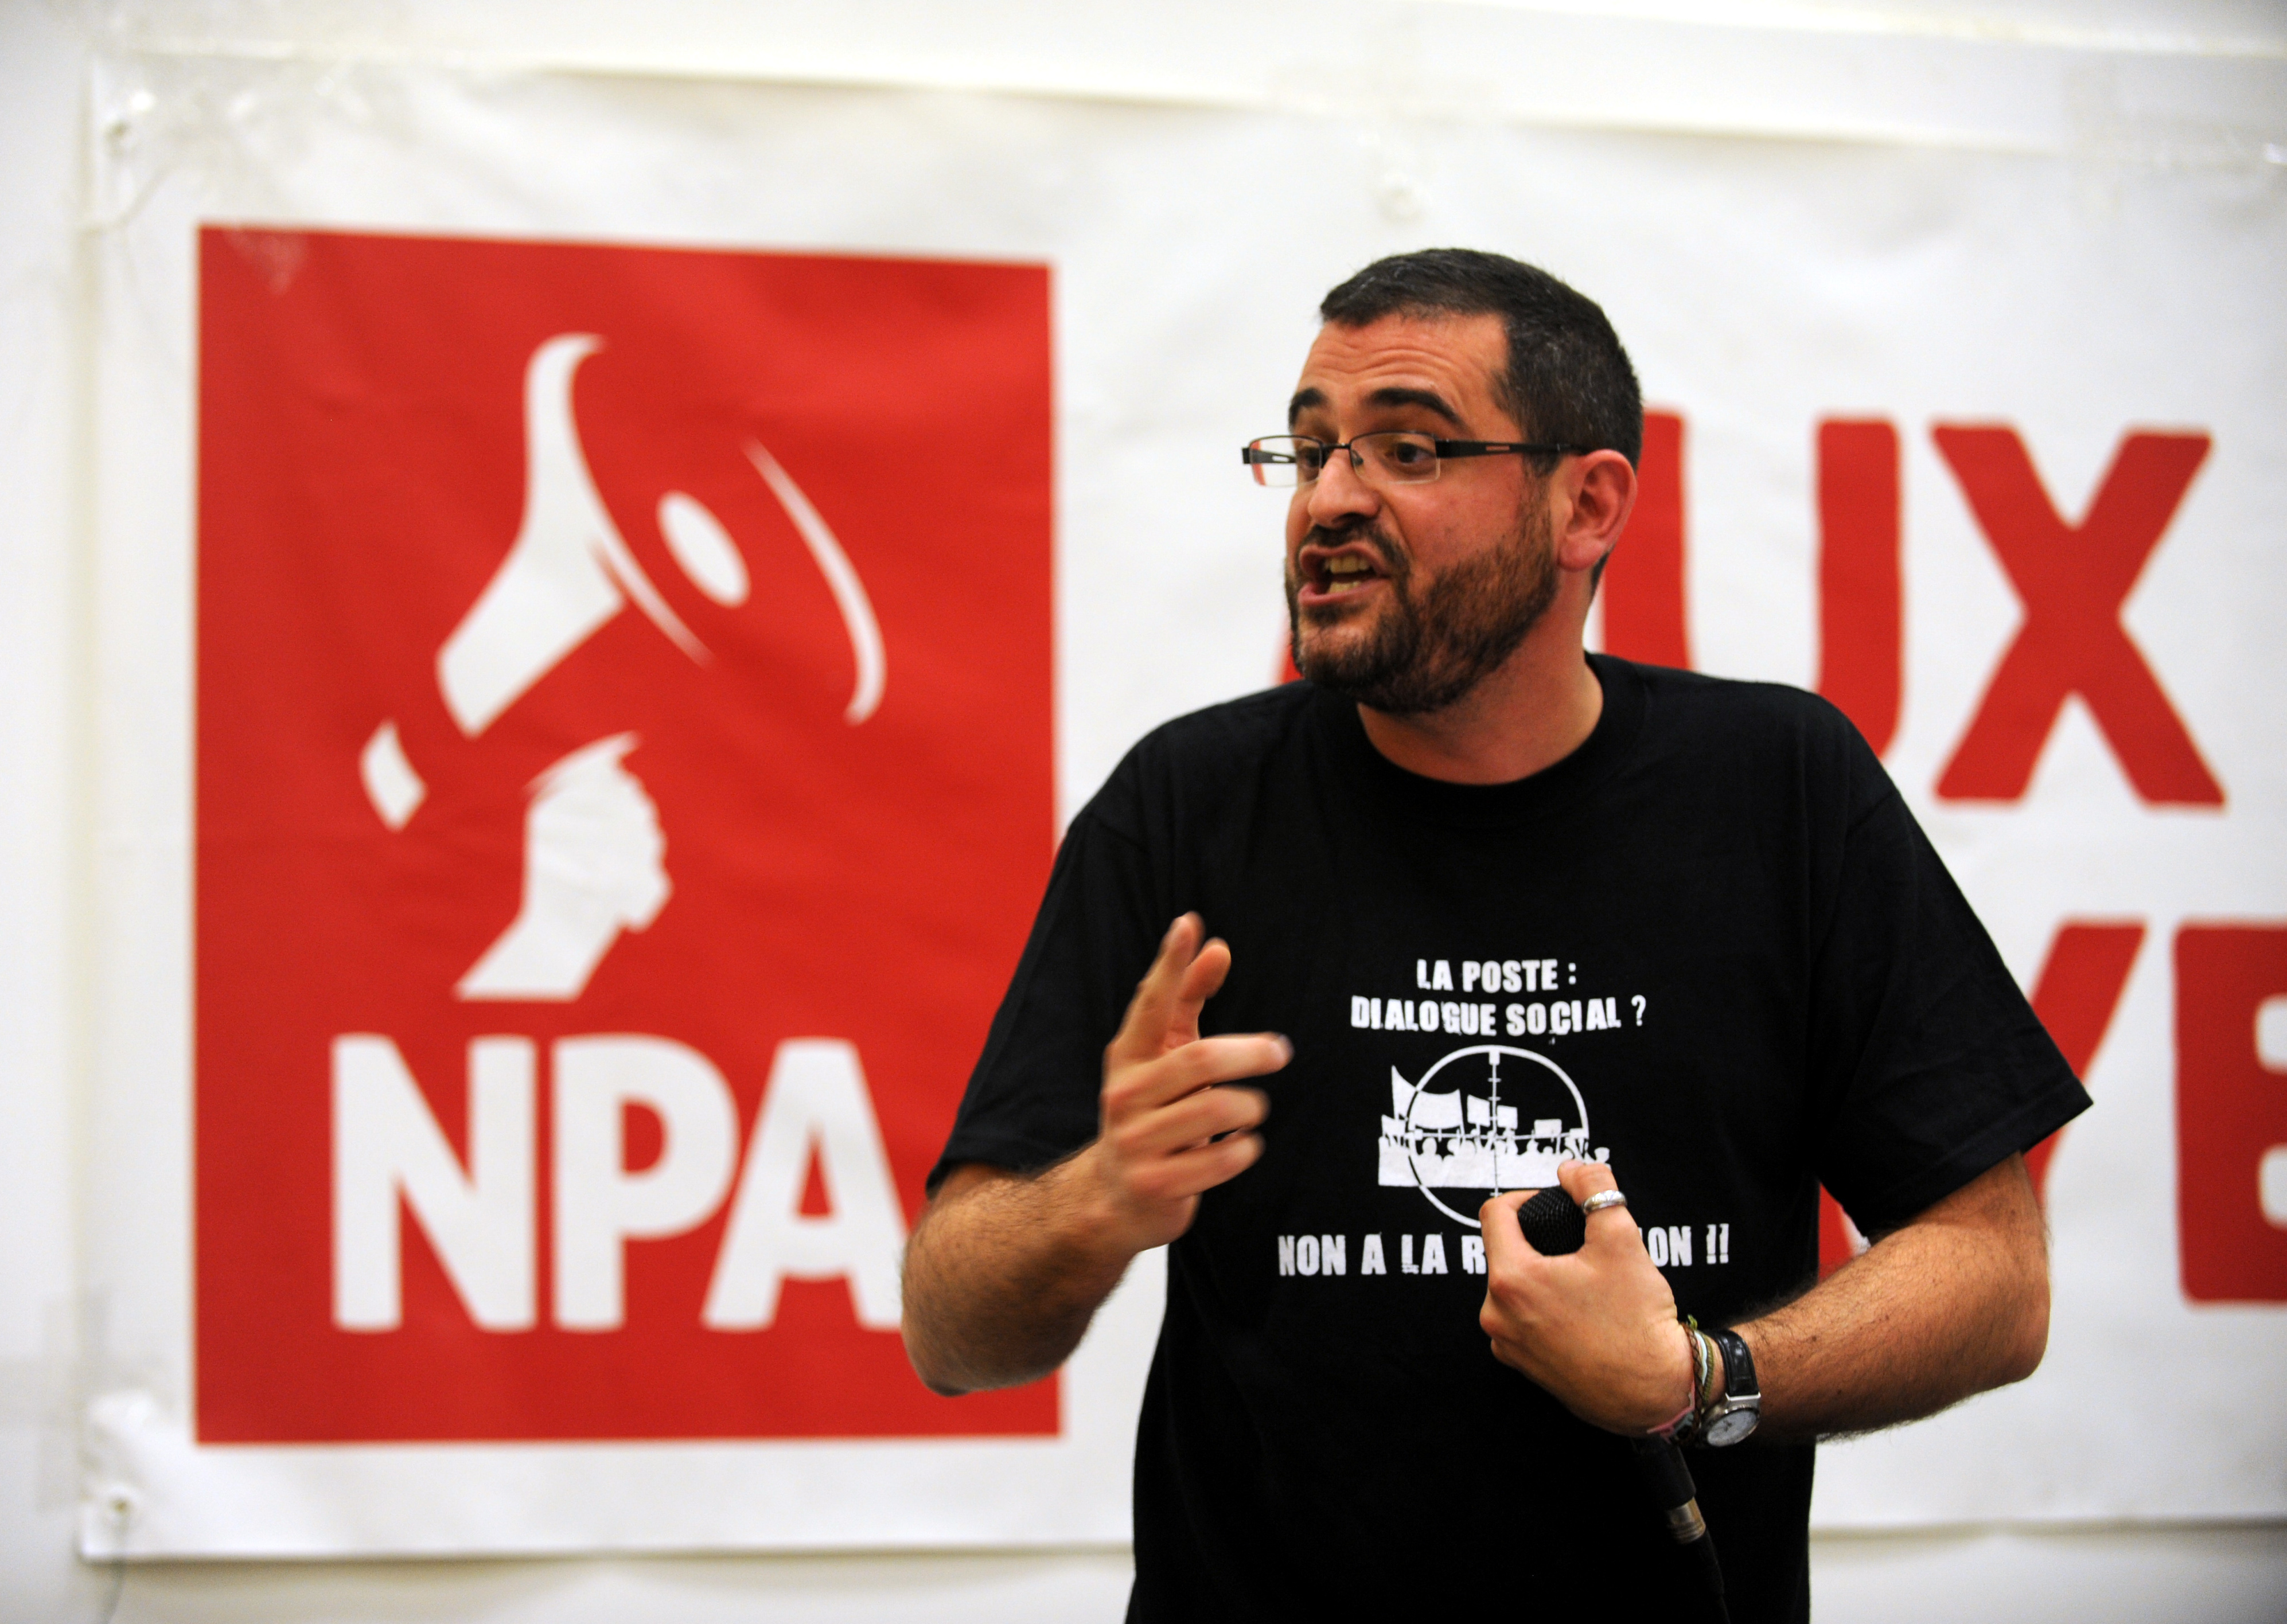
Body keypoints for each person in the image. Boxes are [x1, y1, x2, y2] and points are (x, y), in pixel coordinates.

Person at [900, 248, 2088, 1621]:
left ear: (1585, 505)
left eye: (1406, 449)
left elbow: (1995, 1274)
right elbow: (949, 1330)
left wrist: (1696, 1379)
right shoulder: (1185, 808)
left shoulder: (1778, 790)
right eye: (1308, 451)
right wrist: (1094, 1201)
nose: (1328, 500)